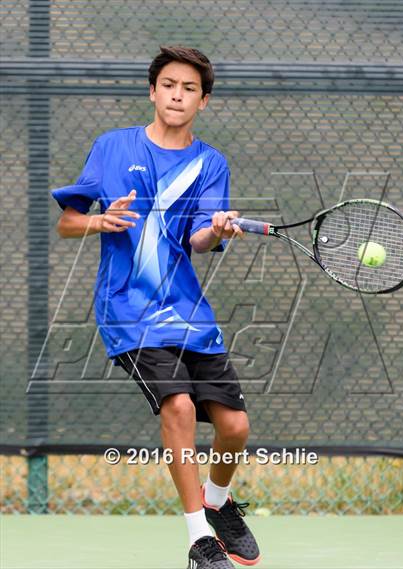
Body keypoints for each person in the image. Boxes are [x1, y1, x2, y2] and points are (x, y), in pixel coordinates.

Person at [51, 45, 260, 569]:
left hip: (189, 313)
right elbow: (68, 220)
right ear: (152, 91)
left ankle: (217, 501)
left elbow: (198, 240)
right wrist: (100, 221)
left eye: (189, 89)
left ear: (203, 101)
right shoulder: (111, 148)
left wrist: (215, 227)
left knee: (235, 427)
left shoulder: (210, 163)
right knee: (180, 407)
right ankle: (198, 539)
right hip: (127, 310)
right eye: (169, 84)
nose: (177, 95)